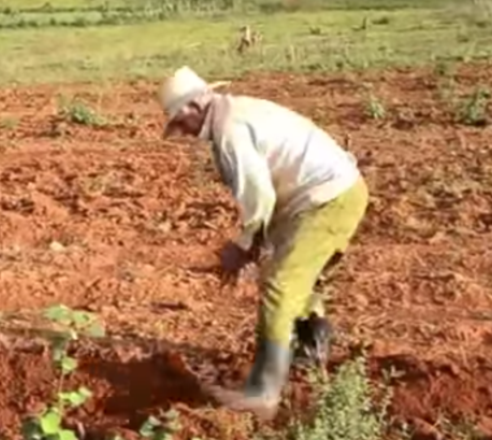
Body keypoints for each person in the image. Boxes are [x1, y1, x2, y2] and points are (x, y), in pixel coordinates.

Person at [157, 66, 369, 420]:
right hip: (319, 196)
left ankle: (263, 392)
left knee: (280, 286)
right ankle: (309, 352)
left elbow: (259, 199)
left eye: (180, 121)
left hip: (327, 200)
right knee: (293, 275)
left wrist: (241, 248)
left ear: (194, 107)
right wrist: (254, 245)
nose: (183, 132)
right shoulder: (235, 112)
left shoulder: (229, 130)